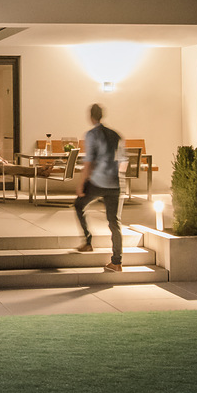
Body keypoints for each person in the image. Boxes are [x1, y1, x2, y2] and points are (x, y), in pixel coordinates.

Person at [73, 103, 124, 271]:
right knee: (113, 221)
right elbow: (123, 160)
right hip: (114, 183)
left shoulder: (92, 134)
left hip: (98, 181)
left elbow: (89, 162)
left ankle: (88, 242)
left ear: (91, 117)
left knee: (79, 205)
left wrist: (81, 185)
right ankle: (116, 262)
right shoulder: (116, 135)